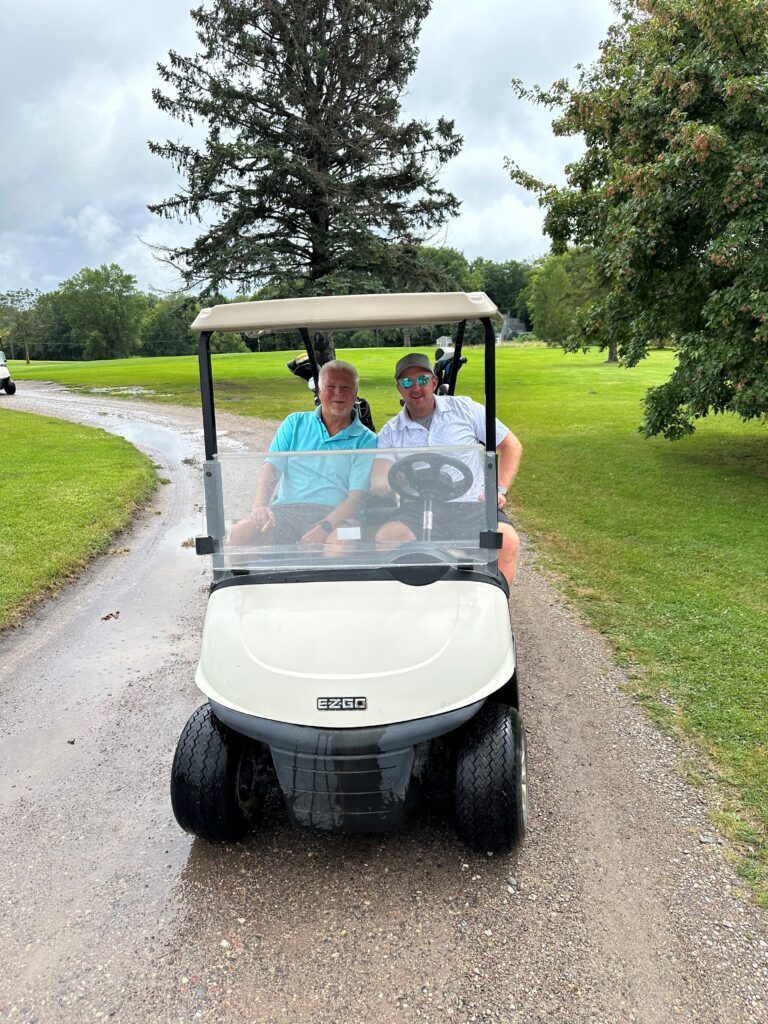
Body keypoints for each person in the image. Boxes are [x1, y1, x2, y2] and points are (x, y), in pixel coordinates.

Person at [371, 352, 522, 586]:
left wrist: (499, 489)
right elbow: (379, 477)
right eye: (407, 382)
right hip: (418, 508)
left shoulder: (465, 410)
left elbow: (510, 445)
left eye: (422, 380)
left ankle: (498, 606)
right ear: (399, 388)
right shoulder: (391, 432)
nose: (416, 388)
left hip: (471, 505)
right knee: (386, 538)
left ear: (434, 381)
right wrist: (389, 482)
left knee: (505, 540)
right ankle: (405, 606)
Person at [230, 359, 377, 548]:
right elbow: (272, 468)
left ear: (355, 393)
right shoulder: (295, 423)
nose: (338, 393)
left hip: (337, 517)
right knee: (242, 531)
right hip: (286, 511)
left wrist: (324, 527)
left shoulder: (367, 440)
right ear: (320, 391)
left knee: (344, 540)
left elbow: (356, 498)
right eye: (331, 386)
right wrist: (260, 506)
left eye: (346, 387)